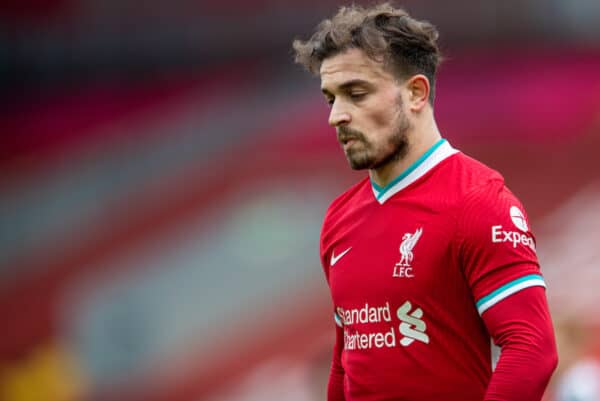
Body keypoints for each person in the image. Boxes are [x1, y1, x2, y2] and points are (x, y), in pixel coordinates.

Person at [292, 3, 558, 401]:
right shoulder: (338, 219)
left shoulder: (477, 201)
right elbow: (346, 359)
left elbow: (532, 348)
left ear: (416, 92)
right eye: (331, 98)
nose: (337, 116)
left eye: (356, 94)